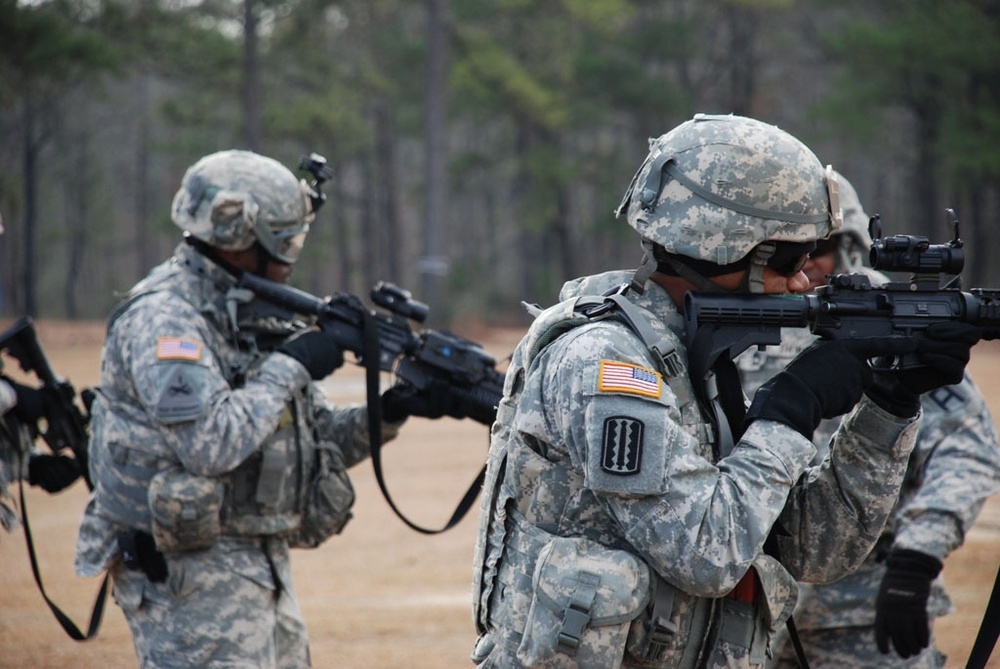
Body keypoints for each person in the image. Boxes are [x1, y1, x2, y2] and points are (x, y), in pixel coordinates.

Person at [469, 113, 981, 668]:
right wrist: (790, 410)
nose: (804, 280)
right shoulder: (604, 360)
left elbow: (816, 547)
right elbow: (705, 553)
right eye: (790, 258)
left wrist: (889, 405)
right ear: (729, 247)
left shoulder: (696, 359)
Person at [74, 149, 464, 668]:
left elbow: (312, 440)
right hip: (186, 574)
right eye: (285, 241)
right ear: (237, 239)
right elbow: (210, 445)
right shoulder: (166, 320)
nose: (291, 257)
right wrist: (295, 362)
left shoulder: (249, 310)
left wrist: (389, 410)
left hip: (258, 561)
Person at [736, 172, 1000, 668]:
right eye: (786, 248)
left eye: (821, 246)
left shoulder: (897, 322)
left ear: (853, 246)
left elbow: (965, 450)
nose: (806, 262)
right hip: (746, 606)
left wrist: (916, 558)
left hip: (859, 611)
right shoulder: (734, 316)